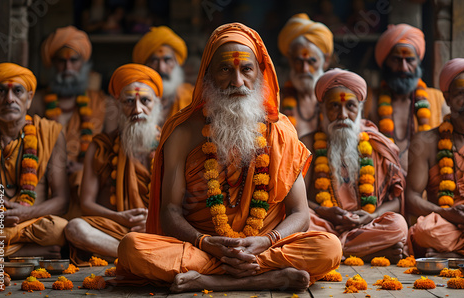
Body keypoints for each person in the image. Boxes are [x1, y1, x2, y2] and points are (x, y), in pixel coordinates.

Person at [113, 23, 342, 292]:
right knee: (132, 248)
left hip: (262, 246)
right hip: (204, 247)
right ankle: (267, 277)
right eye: (225, 69)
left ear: (259, 74)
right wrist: (206, 243)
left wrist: (266, 241)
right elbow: (170, 211)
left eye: (246, 69)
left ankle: (212, 281)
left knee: (329, 247)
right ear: (207, 75)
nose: (237, 81)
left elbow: (300, 213)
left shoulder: (280, 131)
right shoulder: (184, 132)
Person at [301, 69, 407, 263]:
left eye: (350, 106)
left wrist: (371, 215)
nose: (343, 114)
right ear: (322, 110)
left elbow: (398, 200)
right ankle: (365, 252)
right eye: (334, 106)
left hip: (366, 224)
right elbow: (296, 200)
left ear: (361, 109)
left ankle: (334, 251)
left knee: (397, 224)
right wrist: (325, 212)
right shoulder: (307, 144)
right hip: (324, 223)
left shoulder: (377, 145)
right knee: (302, 221)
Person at [65, 64, 162, 264]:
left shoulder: (169, 144)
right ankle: (138, 257)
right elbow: (87, 204)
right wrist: (121, 218)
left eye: (145, 100)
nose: (137, 109)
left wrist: (154, 221)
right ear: (117, 106)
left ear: (156, 104)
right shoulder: (102, 146)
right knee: (75, 228)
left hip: (159, 229)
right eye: (128, 101)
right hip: (116, 227)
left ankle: (128, 255)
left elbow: (182, 204)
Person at [407, 58, 464, 262]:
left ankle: (451, 256)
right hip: (446, 223)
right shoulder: (425, 141)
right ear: (447, 98)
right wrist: (446, 212)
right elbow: (411, 197)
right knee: (425, 231)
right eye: (461, 94)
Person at [0, 63, 69, 258]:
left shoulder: (50, 133)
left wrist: (28, 213)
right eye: (1, 91)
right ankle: (24, 253)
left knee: (59, 229)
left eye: (18, 91)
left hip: (31, 223)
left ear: (29, 99)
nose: (9, 99)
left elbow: (62, 200)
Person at [29, 26, 109, 219]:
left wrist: (85, 167)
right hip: (43, 179)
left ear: (83, 64)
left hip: (86, 182)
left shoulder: (103, 103)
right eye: (61, 61)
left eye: (74, 61)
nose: (67, 69)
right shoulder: (34, 102)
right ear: (52, 64)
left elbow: (112, 150)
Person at [365, 24, 447, 173]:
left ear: (418, 63)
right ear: (385, 62)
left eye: (409, 60)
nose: (403, 68)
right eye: (396, 60)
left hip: (426, 191)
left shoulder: (438, 99)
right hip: (381, 190)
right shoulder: (369, 100)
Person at [278, 13, 333, 138]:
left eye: (311, 61)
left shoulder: (335, 102)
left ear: (326, 61)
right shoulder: (277, 102)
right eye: (299, 61)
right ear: (290, 61)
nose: (305, 69)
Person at [132, 26, 193, 127]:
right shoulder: (132, 101)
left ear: (176, 63)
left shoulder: (191, 97)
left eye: (167, 60)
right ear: (145, 66)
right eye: (154, 61)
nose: (161, 68)